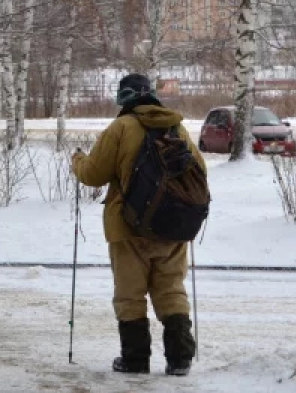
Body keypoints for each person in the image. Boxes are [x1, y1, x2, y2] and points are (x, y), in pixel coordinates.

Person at [71, 73, 205, 376]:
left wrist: (77, 161)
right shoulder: (176, 127)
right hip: (172, 226)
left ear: (124, 98)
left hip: (128, 227)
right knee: (171, 289)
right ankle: (180, 358)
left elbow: (93, 174)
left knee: (130, 294)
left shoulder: (120, 128)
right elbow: (200, 170)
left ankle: (135, 359)